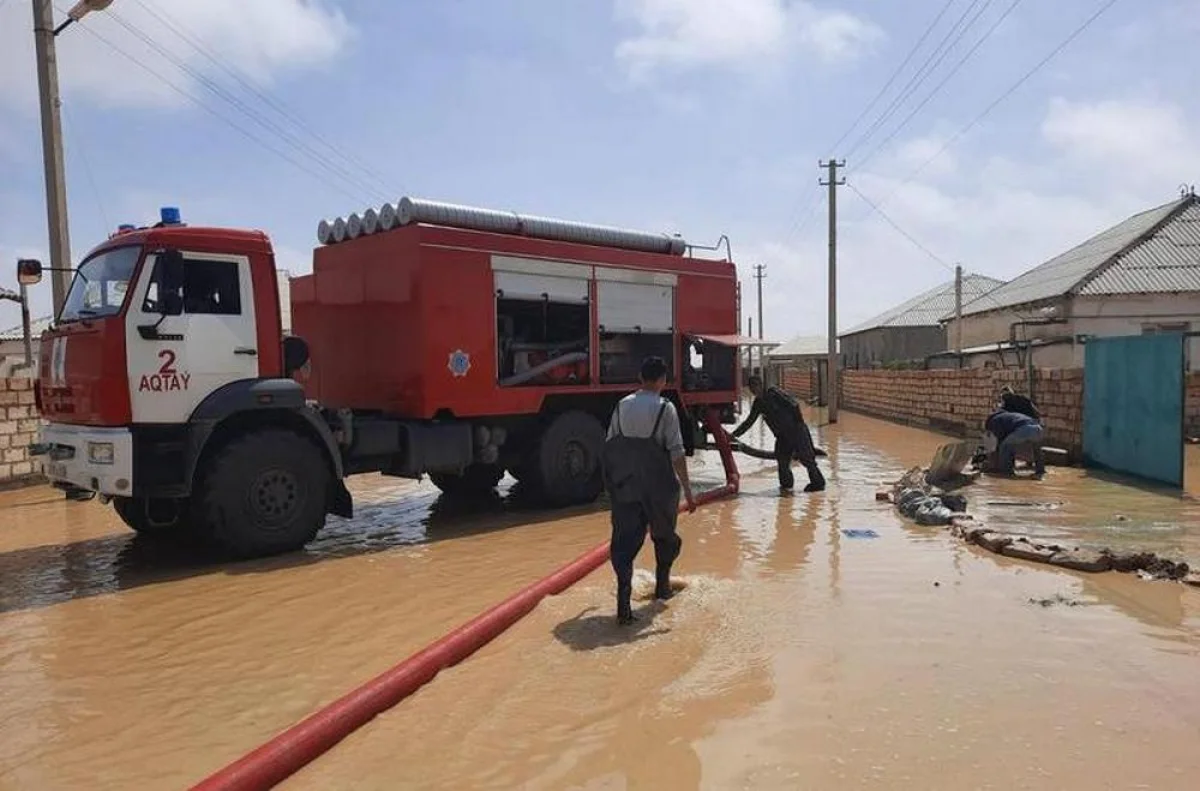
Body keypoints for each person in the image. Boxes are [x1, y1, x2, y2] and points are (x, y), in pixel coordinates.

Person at [602, 356, 697, 625]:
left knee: (623, 544)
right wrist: (688, 492)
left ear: (640, 379)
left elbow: (610, 447)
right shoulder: (665, 408)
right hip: (659, 488)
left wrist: (612, 487)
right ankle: (662, 589)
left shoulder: (622, 406)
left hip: (626, 486)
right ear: (663, 380)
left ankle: (623, 607)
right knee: (665, 537)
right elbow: (677, 454)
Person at [731, 375, 826, 493]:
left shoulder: (774, 393)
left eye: (756, 385)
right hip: (782, 437)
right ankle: (786, 488)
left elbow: (794, 405)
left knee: (807, 459)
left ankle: (818, 484)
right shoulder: (758, 403)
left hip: (796, 431)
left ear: (761, 385)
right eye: (751, 387)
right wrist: (734, 435)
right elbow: (749, 421)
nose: (754, 389)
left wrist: (797, 426)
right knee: (782, 461)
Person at [984, 407, 1046, 477]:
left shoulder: (994, 421)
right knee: (1037, 450)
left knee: (1004, 446)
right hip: (1038, 428)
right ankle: (1040, 471)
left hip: (1025, 429)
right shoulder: (1007, 416)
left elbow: (1001, 438)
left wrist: (995, 457)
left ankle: (1006, 472)